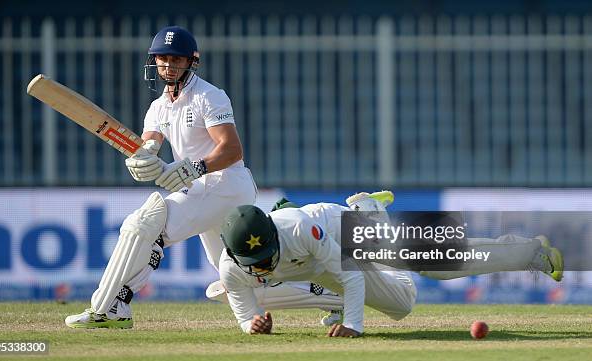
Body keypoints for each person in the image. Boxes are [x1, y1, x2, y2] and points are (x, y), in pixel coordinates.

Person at [64, 25, 258, 328]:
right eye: (162, 58)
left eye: (176, 59)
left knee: (144, 224)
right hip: (201, 189)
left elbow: (232, 150)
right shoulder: (157, 107)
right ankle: (328, 294)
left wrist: (195, 167)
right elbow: (148, 145)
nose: (168, 65)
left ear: (191, 61)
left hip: (225, 184)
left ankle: (110, 307)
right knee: (240, 275)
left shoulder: (209, 96)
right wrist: (142, 160)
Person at [217, 192, 564, 336]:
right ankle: (337, 305)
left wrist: (353, 325)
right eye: (254, 263)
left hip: (341, 230)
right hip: (316, 262)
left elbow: (351, 278)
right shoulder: (232, 266)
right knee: (400, 306)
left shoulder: (298, 230)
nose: (261, 268)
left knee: (433, 265)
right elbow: (244, 312)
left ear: (274, 238)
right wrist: (253, 326)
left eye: (266, 258)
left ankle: (528, 251)